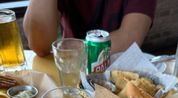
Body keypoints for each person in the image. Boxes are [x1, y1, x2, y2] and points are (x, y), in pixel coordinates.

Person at [23, 0, 157, 57]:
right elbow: (39, 45)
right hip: (71, 74)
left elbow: (128, 40)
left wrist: (69, 50)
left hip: (119, 70)